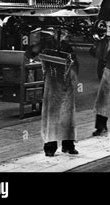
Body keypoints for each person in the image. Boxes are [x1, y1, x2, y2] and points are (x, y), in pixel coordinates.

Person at [41, 29, 79, 157]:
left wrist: (73, 75)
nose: (64, 35)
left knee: (68, 117)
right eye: (61, 33)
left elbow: (74, 63)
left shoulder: (68, 47)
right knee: (52, 117)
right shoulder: (47, 46)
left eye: (65, 33)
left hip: (67, 85)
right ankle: (50, 147)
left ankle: (68, 145)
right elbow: (39, 58)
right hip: (52, 84)